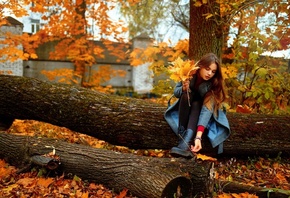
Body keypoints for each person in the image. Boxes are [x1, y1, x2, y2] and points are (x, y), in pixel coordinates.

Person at [164, 53, 230, 158]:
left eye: (213, 71)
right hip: (184, 108)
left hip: (200, 112)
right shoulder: (190, 73)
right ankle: (183, 136)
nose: (209, 73)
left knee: (196, 103)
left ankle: (186, 140)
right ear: (201, 66)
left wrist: (198, 137)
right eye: (207, 69)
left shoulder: (213, 84)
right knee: (186, 95)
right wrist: (183, 88)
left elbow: (206, 110)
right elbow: (176, 93)